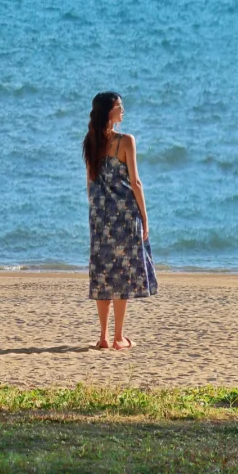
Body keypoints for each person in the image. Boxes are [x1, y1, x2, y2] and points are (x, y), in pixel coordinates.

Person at [83, 90, 157, 349]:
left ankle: (102, 336)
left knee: (103, 272)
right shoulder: (126, 141)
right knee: (122, 273)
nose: (123, 110)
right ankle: (118, 337)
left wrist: (94, 214)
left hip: (100, 216)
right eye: (119, 106)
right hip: (124, 214)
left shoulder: (90, 141)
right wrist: (145, 217)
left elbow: (89, 183)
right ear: (109, 112)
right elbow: (135, 182)